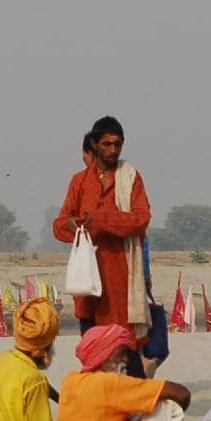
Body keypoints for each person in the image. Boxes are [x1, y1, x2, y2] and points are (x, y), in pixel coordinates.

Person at [53, 117, 152, 345]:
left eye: (118, 144)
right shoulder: (79, 182)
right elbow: (59, 225)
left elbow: (141, 218)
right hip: (87, 278)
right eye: (107, 144)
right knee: (92, 347)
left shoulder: (131, 178)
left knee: (122, 346)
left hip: (121, 275)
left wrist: (101, 220)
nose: (113, 150)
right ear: (95, 144)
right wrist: (73, 225)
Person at [53, 323, 189, 421]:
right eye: (121, 353)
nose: (125, 359)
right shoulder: (111, 383)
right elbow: (181, 393)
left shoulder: (70, 381)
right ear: (104, 355)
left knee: (140, 409)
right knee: (167, 405)